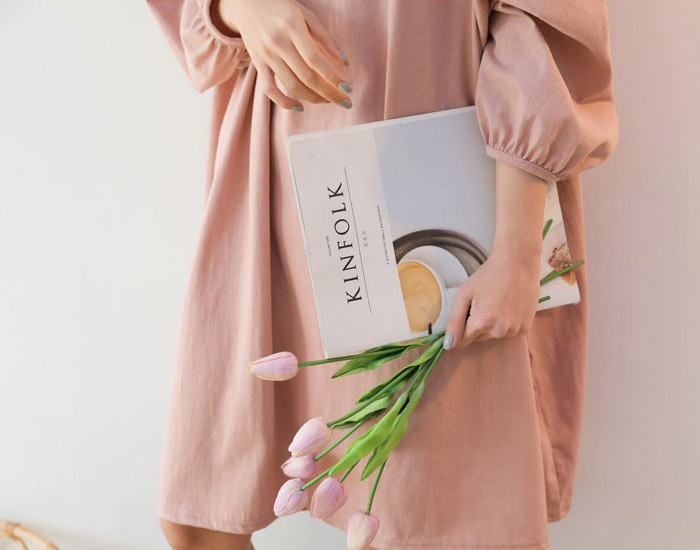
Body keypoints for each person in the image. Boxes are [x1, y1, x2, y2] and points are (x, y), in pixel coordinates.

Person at [145, 1, 619, 549]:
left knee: (420, 522)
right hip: (272, 164)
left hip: (429, 150)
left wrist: (516, 249)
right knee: (200, 519)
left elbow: (538, 23)